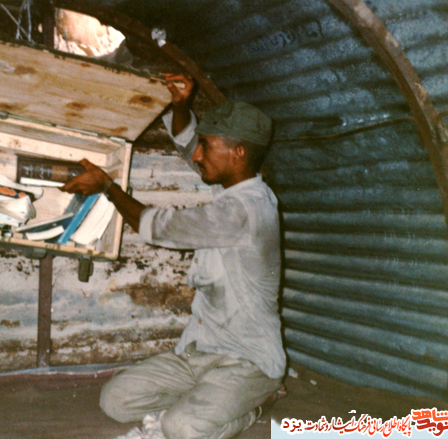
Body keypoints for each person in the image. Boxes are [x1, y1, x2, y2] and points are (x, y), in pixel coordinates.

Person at [60, 74, 286, 439]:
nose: (197, 155)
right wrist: (181, 105)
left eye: (207, 146)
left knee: (181, 428)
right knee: (115, 401)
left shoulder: (244, 211)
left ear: (239, 153)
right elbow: (187, 143)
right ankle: (208, 398)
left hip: (247, 360)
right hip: (198, 353)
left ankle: (259, 402)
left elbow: (158, 226)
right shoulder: (232, 185)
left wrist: (107, 187)